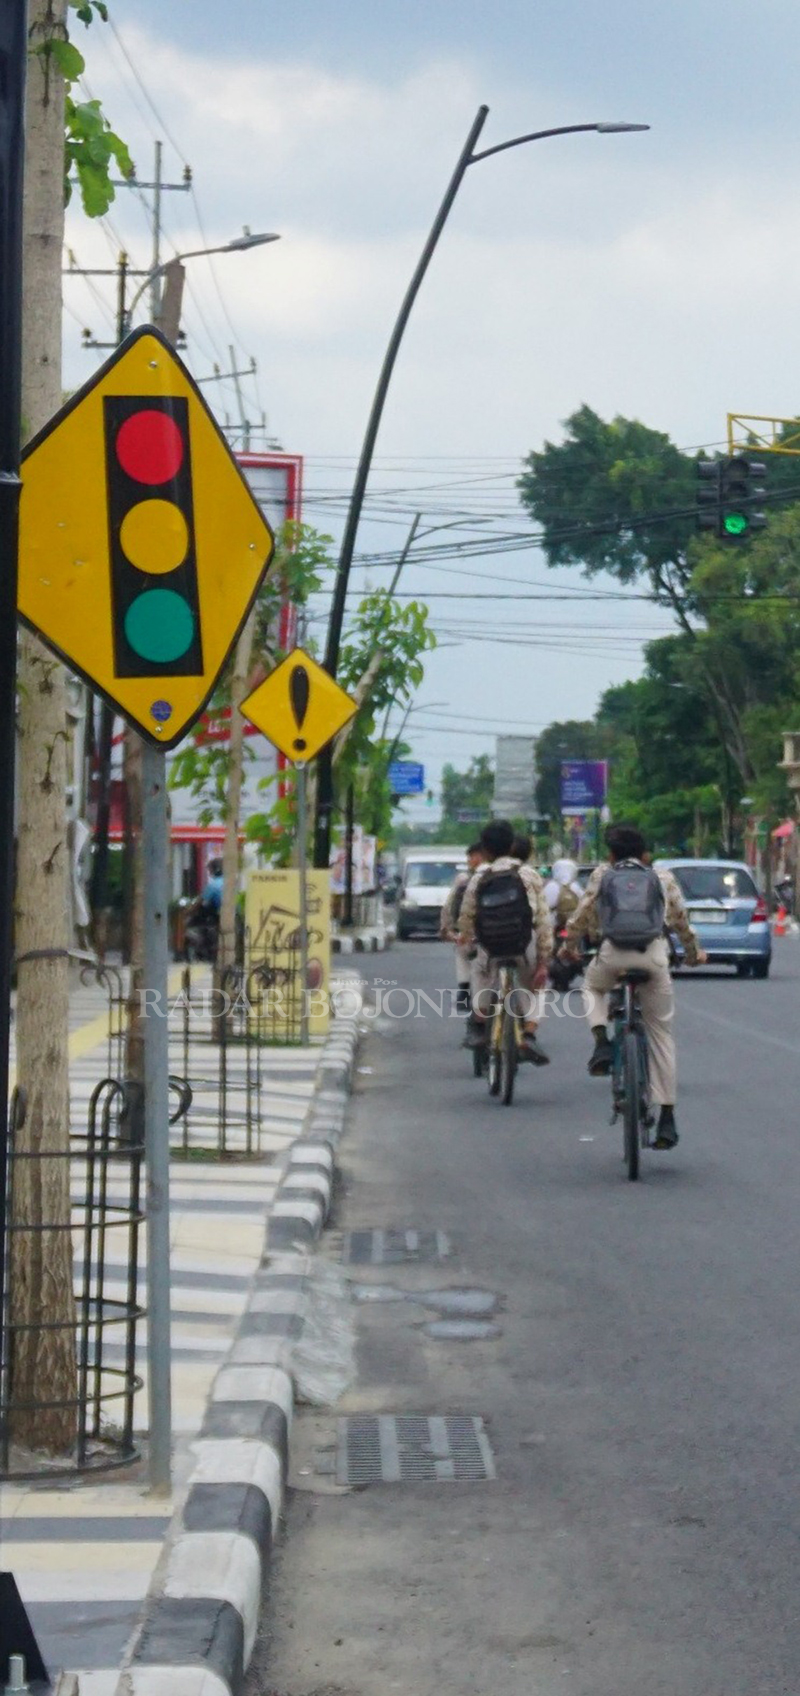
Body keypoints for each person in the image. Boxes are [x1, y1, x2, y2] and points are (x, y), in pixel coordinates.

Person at [559, 822, 706, 1150]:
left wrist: (568, 946)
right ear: (646, 855)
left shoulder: (601, 876)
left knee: (592, 988)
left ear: (610, 855)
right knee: (660, 1035)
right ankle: (666, 1116)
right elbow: (681, 921)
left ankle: (601, 1041)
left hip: (612, 954)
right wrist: (694, 954)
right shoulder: (662, 878)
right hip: (653, 956)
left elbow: (581, 918)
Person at [458, 819, 553, 1065]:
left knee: (478, 972)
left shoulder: (480, 876)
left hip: (490, 948)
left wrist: (467, 945)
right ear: (511, 845)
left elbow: (467, 917)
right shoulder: (528, 874)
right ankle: (530, 1033)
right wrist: (543, 960)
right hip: (522, 947)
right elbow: (543, 919)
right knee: (536, 986)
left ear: (485, 850)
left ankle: (478, 1025)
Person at [440, 842, 485, 1011]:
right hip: (508, 937)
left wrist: (448, 930)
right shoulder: (512, 875)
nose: (469, 860)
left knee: (462, 951)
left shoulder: (465, 880)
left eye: (471, 857)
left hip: (474, 935)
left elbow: (451, 907)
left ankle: (464, 991)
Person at [544, 857, 583, 924]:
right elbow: (583, 901)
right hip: (573, 924)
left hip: (554, 923)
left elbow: (544, 905)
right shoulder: (576, 886)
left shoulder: (551, 886)